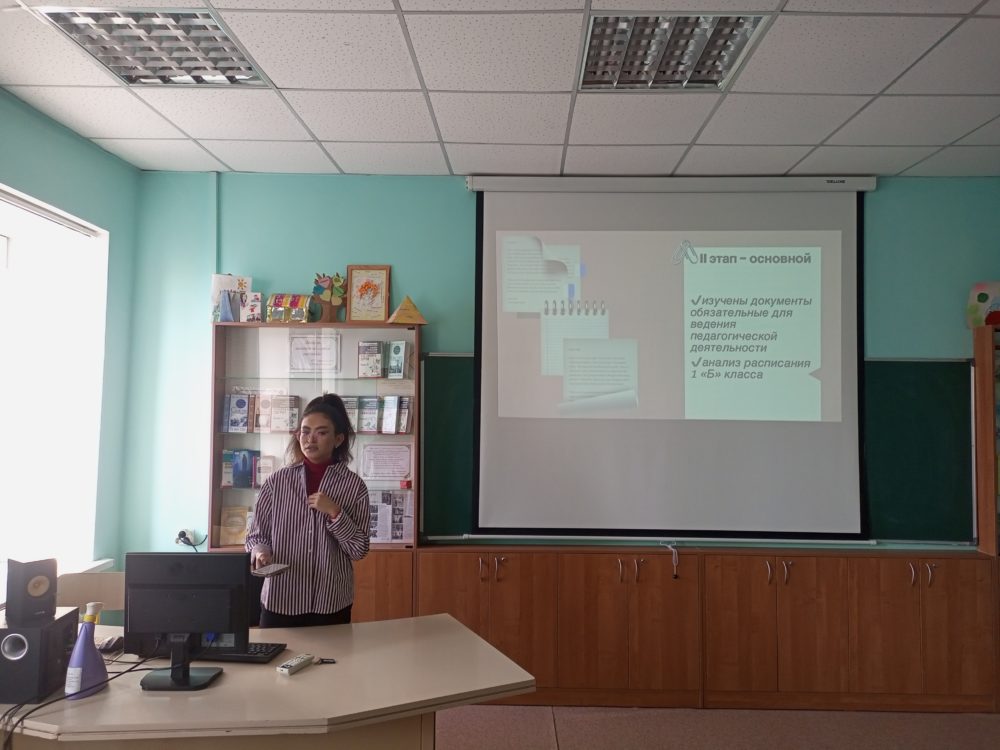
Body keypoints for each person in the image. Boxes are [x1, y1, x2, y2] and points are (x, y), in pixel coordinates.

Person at [245, 393, 369, 627]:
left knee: (333, 653)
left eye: (321, 433)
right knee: (275, 652)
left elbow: (359, 550)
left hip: (331, 600)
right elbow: (256, 536)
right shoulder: (277, 482)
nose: (310, 439)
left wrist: (335, 513)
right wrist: (261, 552)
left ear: (338, 439)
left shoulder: (354, 486)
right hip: (282, 598)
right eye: (305, 431)